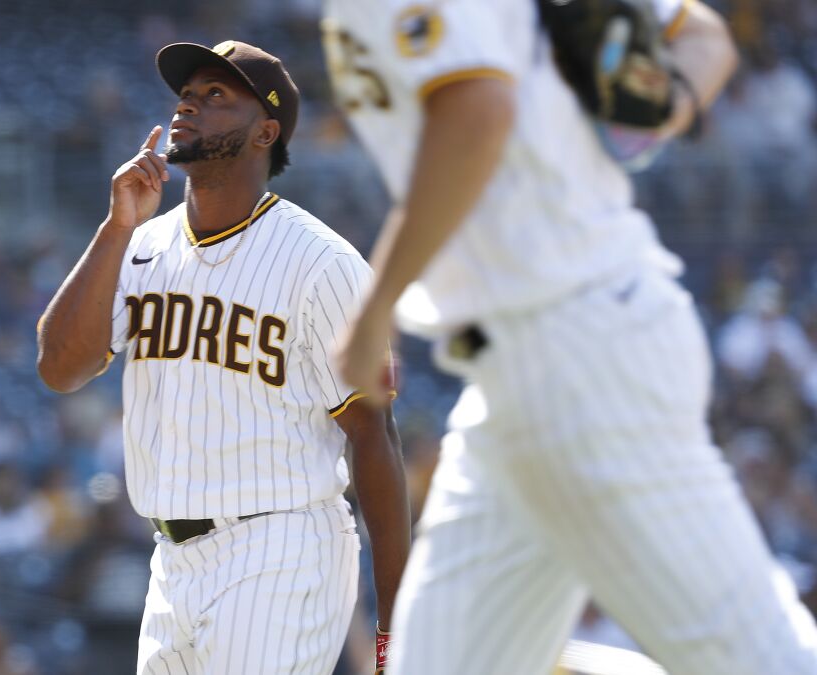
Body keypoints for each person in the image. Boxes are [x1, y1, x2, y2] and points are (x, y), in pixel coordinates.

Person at [320, 0, 817, 673]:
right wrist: (653, 111)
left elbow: (477, 115)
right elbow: (699, 36)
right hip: (530, 368)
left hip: (573, 345)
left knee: (763, 658)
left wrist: (376, 309)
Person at [37, 40, 410, 674]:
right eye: (186, 93)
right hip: (171, 559)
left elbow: (373, 438)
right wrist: (114, 227)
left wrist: (396, 625)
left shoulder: (323, 264)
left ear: (265, 131)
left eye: (216, 96)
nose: (188, 105)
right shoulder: (140, 244)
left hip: (281, 546)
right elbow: (59, 367)